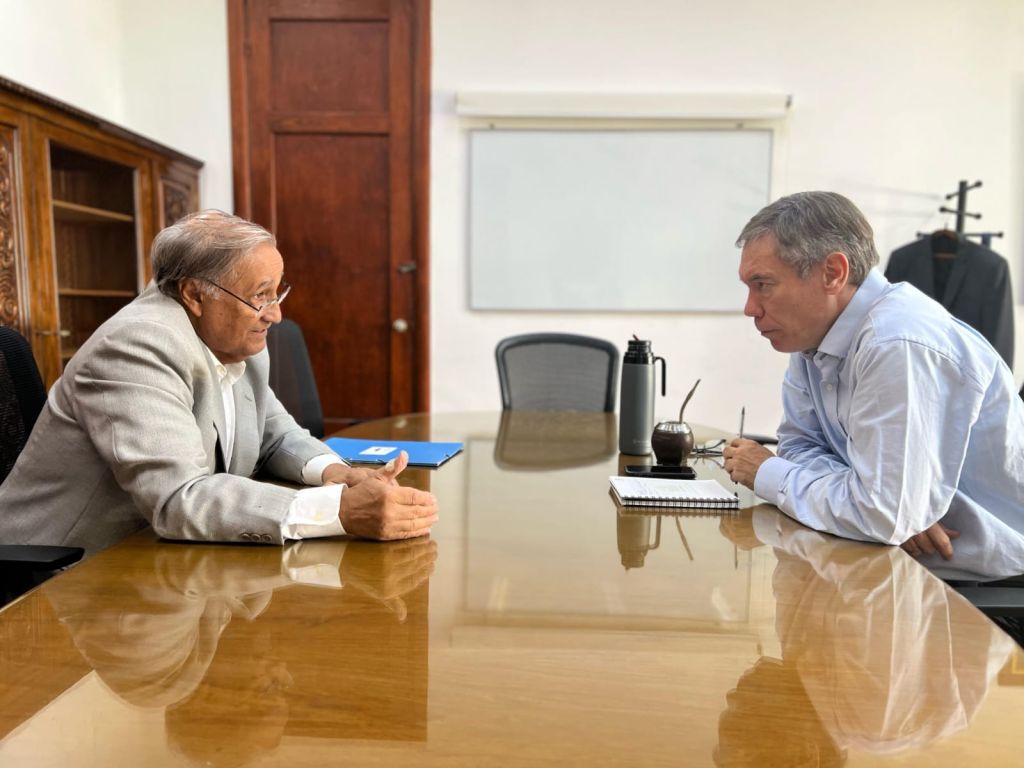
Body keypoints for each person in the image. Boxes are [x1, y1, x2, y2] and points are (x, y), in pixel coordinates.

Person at [0, 210, 438, 554]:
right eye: (259, 296)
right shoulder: (136, 346)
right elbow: (179, 499)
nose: (275, 313)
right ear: (194, 294)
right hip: (62, 577)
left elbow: (275, 433)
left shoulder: (235, 332)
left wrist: (339, 475)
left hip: (154, 553)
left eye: (277, 292)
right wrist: (338, 511)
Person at [722, 191, 1024, 580]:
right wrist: (878, 505)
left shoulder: (895, 343)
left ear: (833, 272)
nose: (751, 308)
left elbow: (880, 515)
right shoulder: (812, 335)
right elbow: (801, 447)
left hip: (985, 583)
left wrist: (767, 473)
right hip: (893, 559)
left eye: (763, 284)